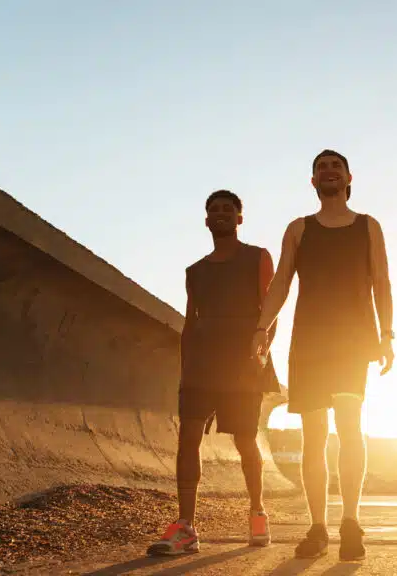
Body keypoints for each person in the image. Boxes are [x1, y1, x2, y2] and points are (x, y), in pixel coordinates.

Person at [252, 149, 394, 562]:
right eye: (320, 168)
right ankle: (318, 527)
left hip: (353, 340)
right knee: (313, 437)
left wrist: (387, 334)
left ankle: (351, 522)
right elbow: (280, 282)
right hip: (309, 342)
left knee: (350, 429)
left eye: (335, 166)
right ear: (313, 182)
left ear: (349, 177)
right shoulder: (298, 230)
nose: (328, 172)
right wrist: (262, 328)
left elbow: (382, 280)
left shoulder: (369, 227)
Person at [148, 190, 278, 556]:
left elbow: (270, 307)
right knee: (187, 437)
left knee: (245, 440)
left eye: (228, 209)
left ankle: (257, 513)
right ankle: (186, 527)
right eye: (214, 210)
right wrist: (186, 362)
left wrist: (263, 345)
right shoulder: (196, 271)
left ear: (240, 218)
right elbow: (191, 321)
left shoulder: (257, 257)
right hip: (202, 364)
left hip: (243, 359)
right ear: (206, 220)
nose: (220, 214)